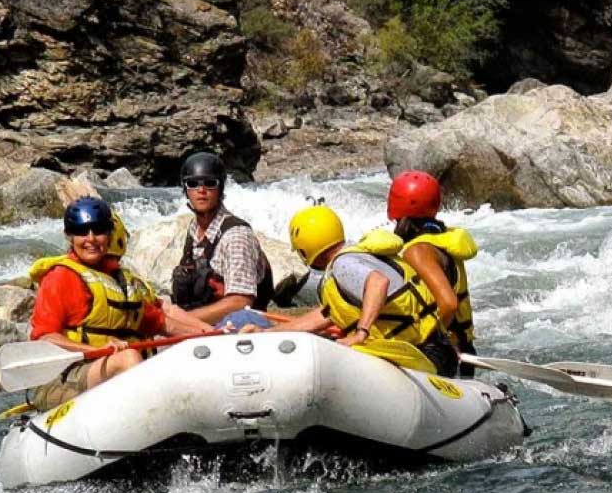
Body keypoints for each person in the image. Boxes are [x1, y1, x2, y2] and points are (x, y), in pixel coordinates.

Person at [267, 203, 457, 375]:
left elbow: (378, 283)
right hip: (436, 348)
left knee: (334, 348)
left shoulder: (343, 264)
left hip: (422, 354)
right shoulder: (358, 256)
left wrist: (361, 333)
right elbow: (325, 315)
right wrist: (270, 333)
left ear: (305, 249)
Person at [24, 198, 169, 410]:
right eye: (82, 232)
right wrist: (97, 349)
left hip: (102, 369)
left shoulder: (117, 280)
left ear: (109, 234)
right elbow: (45, 337)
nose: (91, 239)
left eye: (99, 230)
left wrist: (217, 332)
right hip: (63, 378)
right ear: (70, 237)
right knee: (127, 358)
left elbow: (162, 323)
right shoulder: (60, 277)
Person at [357, 171, 479, 376]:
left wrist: (426, 337)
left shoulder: (418, 251)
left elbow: (448, 304)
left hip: (440, 353)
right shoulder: (441, 240)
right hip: (462, 348)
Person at [168, 152, 275, 330]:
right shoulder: (194, 230)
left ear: (221, 188)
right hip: (201, 325)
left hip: (239, 325)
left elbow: (240, 302)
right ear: (185, 190)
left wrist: (181, 320)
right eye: (193, 184)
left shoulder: (236, 235)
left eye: (210, 183)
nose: (201, 190)